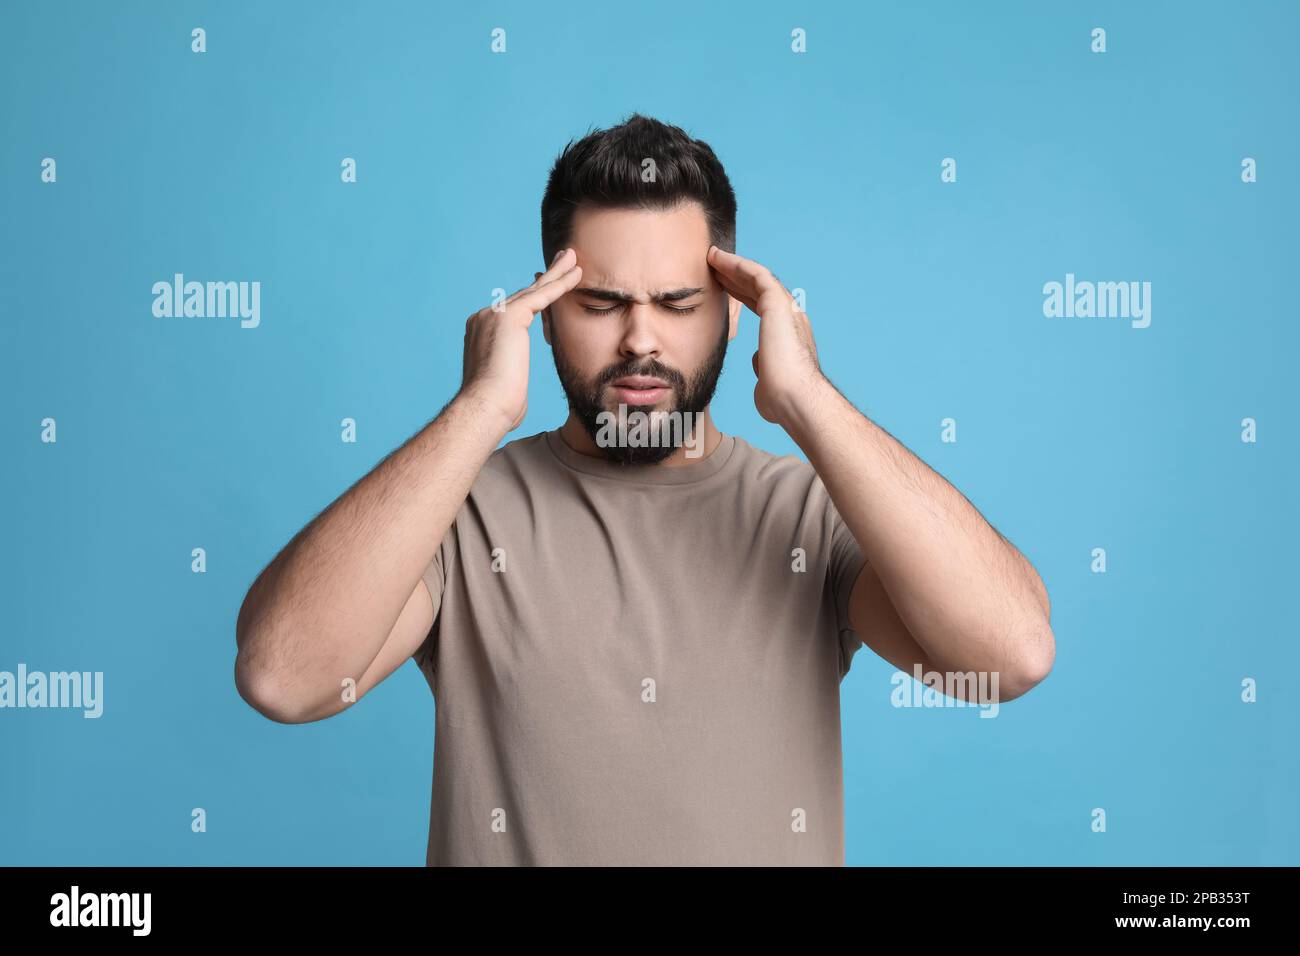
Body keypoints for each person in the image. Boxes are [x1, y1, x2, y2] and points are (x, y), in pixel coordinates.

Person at [234, 113, 1055, 866]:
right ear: (544, 310)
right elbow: (283, 678)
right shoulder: (457, 513)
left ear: (734, 314)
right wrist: (479, 410)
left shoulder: (809, 514)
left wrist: (809, 401)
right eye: (600, 303)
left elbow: (1011, 657)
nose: (640, 339)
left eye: (677, 303)